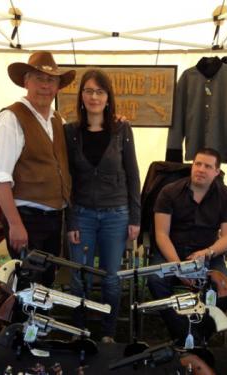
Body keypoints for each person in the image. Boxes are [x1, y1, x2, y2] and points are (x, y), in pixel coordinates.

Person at [0, 51, 75, 287]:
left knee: (45, 282)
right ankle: (19, 324)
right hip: (26, 219)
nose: (45, 86)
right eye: (39, 79)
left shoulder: (58, 120)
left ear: (57, 86)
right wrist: (15, 224)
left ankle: (38, 323)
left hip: (54, 219)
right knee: (27, 285)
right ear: (26, 81)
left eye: (51, 80)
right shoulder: (10, 118)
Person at [64, 69, 141, 343]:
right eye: (88, 91)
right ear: (81, 96)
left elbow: (133, 174)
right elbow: (67, 180)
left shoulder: (122, 130)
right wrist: (71, 220)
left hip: (116, 216)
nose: (94, 96)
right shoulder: (69, 132)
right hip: (82, 214)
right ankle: (79, 331)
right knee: (79, 278)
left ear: (108, 97)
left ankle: (108, 332)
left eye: (100, 91)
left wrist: (135, 217)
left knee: (111, 278)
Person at [147, 147, 227, 342]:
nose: (201, 169)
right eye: (198, 164)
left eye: (208, 166)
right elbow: (161, 235)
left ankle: (199, 333)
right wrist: (178, 266)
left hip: (207, 255)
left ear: (217, 172)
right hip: (171, 252)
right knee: (155, 280)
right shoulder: (169, 191)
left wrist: (207, 252)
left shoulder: (226, 195)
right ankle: (184, 334)